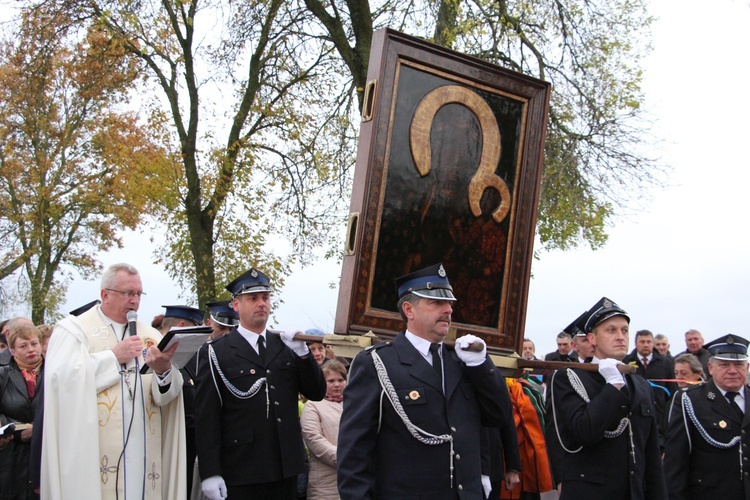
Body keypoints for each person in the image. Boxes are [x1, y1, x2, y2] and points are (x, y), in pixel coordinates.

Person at [337, 263, 520, 499]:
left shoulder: (463, 362)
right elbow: (354, 451)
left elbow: (498, 415)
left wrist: (481, 365)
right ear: (409, 310)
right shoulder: (377, 363)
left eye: (449, 304)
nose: (448, 310)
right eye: (436, 303)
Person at [41, 263, 186, 500]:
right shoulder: (74, 330)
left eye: (139, 294)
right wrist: (112, 358)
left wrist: (163, 372)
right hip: (93, 455)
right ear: (104, 295)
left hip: (144, 453)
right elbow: (61, 381)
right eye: (128, 293)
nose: (135, 301)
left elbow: (168, 398)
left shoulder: (151, 335)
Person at [194, 268, 326, 500]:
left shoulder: (285, 346)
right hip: (242, 468)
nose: (261, 304)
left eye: (265, 298)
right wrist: (210, 472)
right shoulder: (217, 352)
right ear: (236, 305)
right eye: (252, 298)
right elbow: (207, 417)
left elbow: (316, 392)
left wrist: (304, 355)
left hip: (284, 467)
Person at [545, 297, 667, 499]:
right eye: (611, 330)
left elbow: (651, 455)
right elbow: (585, 431)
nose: (620, 336)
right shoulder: (568, 378)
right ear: (592, 338)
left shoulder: (640, 384)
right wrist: (613, 386)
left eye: (624, 330)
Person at [663, 334, 750, 499]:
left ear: (747, 368)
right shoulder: (690, 400)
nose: (732, 371)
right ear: (710, 368)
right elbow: (675, 463)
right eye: (724, 365)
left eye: (739, 364)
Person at [161, 304, 205, 500]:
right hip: (164, 450)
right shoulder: (156, 356)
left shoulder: (186, 360)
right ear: (182, 327)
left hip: (185, 452)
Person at [0, 319, 43, 499]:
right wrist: (17, 430)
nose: (31, 349)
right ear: (13, 351)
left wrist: (37, 428)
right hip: (10, 455)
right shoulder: (3, 374)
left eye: (34, 344)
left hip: (43, 453)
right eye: (23, 346)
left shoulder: (54, 373)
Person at [300, 360, 347, 500]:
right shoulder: (313, 405)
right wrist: (345, 458)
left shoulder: (355, 404)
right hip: (325, 485)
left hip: (354, 479)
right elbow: (313, 438)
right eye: (331, 380)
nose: (337, 384)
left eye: (341, 379)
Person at [622, 329, 676, 429]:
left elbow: (672, 389)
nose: (646, 345)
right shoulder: (626, 361)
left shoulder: (666, 363)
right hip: (635, 413)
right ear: (635, 343)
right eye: (642, 342)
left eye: (648, 342)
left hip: (659, 414)